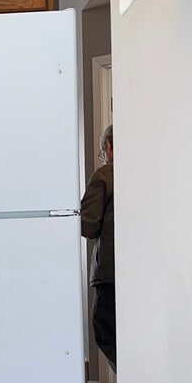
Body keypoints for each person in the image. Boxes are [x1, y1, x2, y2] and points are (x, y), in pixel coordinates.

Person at [80, 126, 115, 368]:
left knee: (104, 328)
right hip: (143, 272)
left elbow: (88, 226)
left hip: (109, 272)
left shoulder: (105, 175)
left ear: (109, 146)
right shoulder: (149, 174)